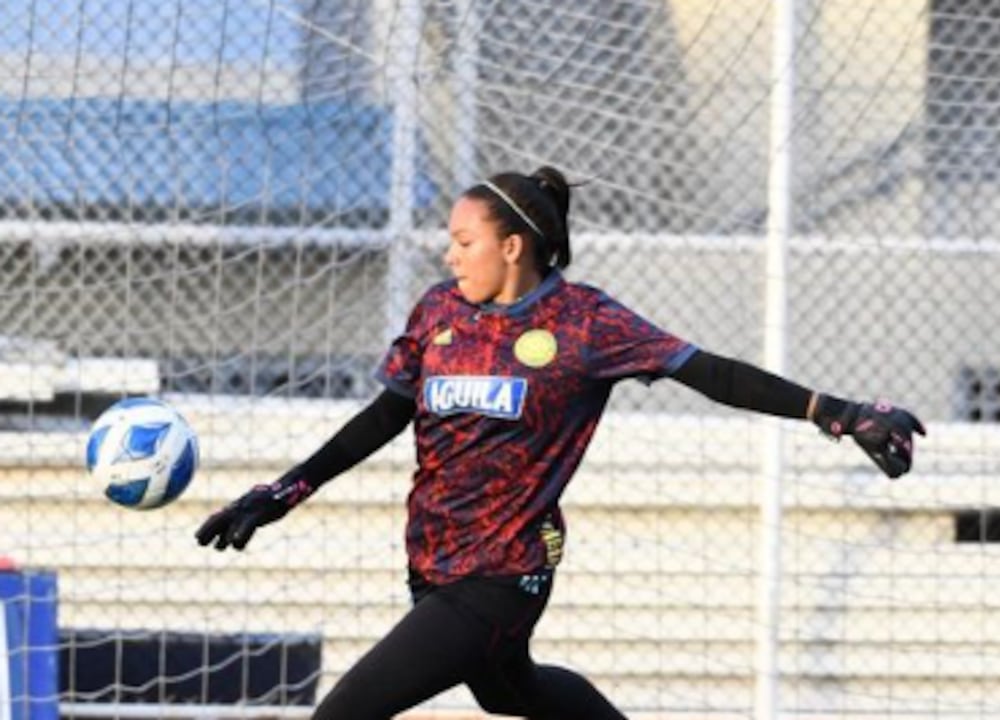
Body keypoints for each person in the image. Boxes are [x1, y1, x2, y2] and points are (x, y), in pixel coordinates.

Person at [195, 166, 926, 719]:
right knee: (511, 694)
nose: (449, 255)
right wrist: (280, 493)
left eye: (463, 240)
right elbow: (385, 414)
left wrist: (838, 412)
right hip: (432, 561)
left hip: (504, 572)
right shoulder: (439, 311)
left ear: (511, 246)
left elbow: (712, 374)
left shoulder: (585, 323)